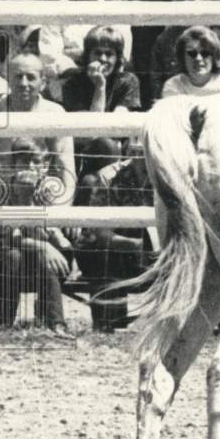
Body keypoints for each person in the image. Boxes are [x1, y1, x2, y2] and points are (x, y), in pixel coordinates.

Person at [0, 55, 76, 336]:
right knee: (12, 255)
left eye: (31, 77)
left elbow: (66, 174)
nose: (24, 83)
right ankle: (3, 322)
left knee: (45, 257)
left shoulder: (55, 115)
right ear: (8, 79)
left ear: (43, 81)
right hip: (4, 210)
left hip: (46, 212)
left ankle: (54, 322)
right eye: (17, 77)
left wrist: (55, 224)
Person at [74, 140, 155, 332]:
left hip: (145, 248)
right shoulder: (109, 178)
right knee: (103, 252)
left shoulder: (164, 176)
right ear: (133, 155)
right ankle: (107, 322)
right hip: (105, 247)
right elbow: (100, 233)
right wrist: (139, 246)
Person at [61, 25, 141, 201]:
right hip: (82, 155)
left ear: (118, 57)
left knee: (105, 152)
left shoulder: (128, 81)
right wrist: (100, 87)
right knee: (105, 145)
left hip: (117, 158)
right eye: (97, 53)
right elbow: (91, 132)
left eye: (109, 54)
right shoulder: (72, 82)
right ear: (88, 55)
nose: (103, 59)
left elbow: (118, 126)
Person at [160, 26, 220, 98]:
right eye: (192, 53)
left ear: (214, 56)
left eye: (205, 53)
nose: (198, 58)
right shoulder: (173, 85)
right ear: (182, 56)